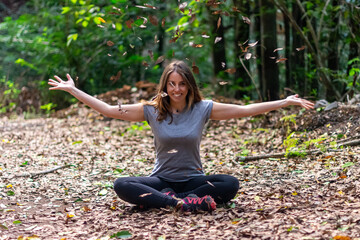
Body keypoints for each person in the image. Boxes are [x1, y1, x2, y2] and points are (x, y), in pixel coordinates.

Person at [48, 60, 314, 212]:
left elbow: (244, 110)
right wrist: (73, 90)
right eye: (172, 84)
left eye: (182, 83)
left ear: (189, 85)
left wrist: (283, 102)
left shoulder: (203, 108)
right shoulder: (151, 110)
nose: (177, 89)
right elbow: (107, 110)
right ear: (165, 85)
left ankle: (181, 200)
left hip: (194, 180)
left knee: (230, 183)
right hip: (160, 180)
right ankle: (177, 203)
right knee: (122, 184)